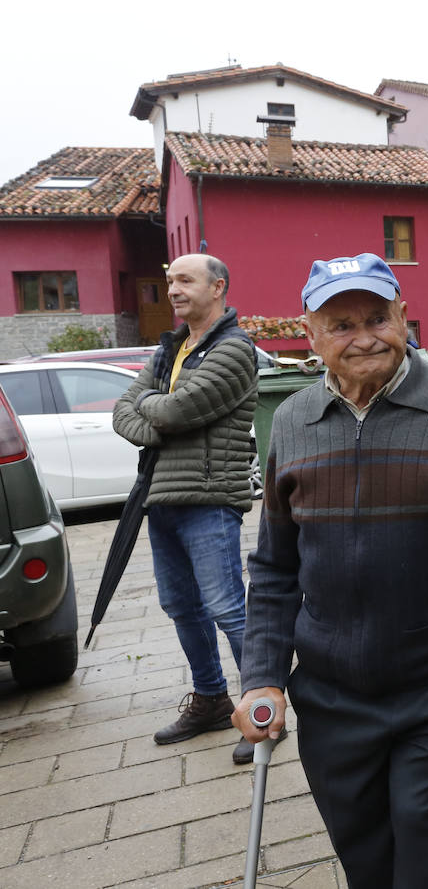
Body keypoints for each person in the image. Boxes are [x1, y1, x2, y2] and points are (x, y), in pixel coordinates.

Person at [232, 253, 428, 887]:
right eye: (341, 324)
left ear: (403, 315)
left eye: (377, 316)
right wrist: (262, 676)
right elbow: (275, 570)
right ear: (310, 334)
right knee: (368, 868)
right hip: (331, 700)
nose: (364, 336)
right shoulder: (292, 421)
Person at [112, 253, 261, 765]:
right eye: (170, 280)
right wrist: (159, 417)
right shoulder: (171, 349)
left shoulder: (234, 348)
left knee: (228, 610)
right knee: (180, 606)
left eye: (185, 280)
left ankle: (261, 710)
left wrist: (154, 411)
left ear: (217, 286)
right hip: (162, 497)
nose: (173, 289)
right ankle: (211, 699)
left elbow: (174, 409)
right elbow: (120, 410)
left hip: (208, 497)